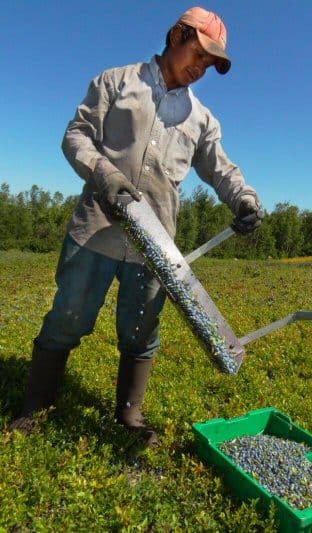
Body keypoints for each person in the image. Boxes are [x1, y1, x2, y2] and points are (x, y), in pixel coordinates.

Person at [9, 6, 265, 445]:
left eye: (210, 64)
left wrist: (244, 198)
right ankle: (35, 406)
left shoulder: (201, 119)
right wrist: (105, 174)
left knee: (141, 329)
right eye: (199, 54)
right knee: (68, 317)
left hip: (156, 247)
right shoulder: (116, 81)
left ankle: (129, 415)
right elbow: (76, 135)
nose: (201, 68)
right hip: (97, 229)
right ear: (176, 35)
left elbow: (220, 168)